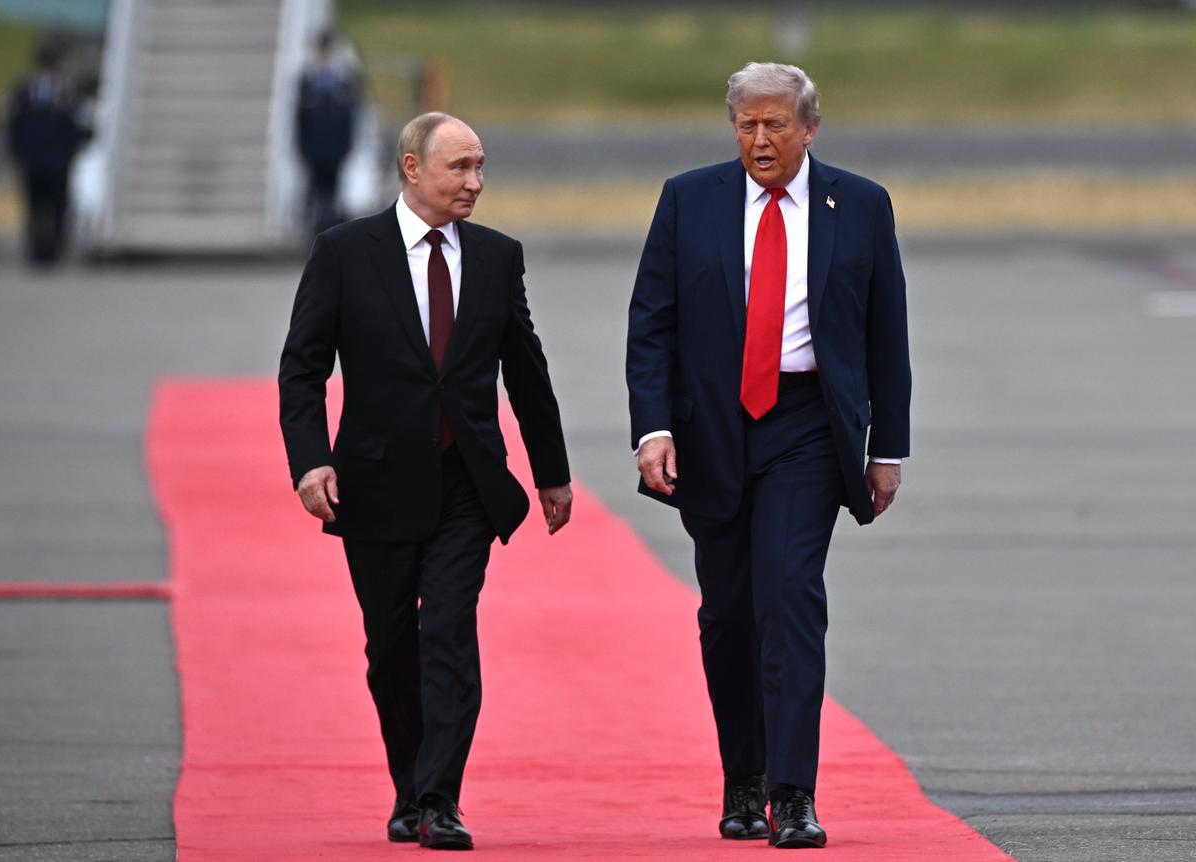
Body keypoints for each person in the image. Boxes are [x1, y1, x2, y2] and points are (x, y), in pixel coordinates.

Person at [625, 62, 910, 850]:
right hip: (712, 429)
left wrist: (887, 447)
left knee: (790, 601)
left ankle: (794, 792)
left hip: (808, 427)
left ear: (809, 128)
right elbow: (651, 324)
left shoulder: (858, 205)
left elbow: (888, 335)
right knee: (728, 616)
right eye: (747, 124)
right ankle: (742, 781)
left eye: (775, 124)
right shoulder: (689, 200)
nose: (759, 139)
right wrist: (653, 430)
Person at [279, 112, 572, 850]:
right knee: (390, 649)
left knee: (448, 630)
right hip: (373, 484)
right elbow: (303, 367)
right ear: (412, 169)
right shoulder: (345, 253)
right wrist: (311, 460)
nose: (475, 182)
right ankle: (407, 788)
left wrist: (552, 474)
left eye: (480, 167)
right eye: (459, 168)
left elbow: (527, 373)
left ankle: (441, 799)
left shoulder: (499, 258)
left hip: (466, 481)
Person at [6, 38, 83, 265]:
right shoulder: (23, 91)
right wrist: (17, 152)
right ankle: (36, 249)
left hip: (58, 159)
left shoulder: (66, 91)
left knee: (58, 204)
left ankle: (55, 248)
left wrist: (69, 154)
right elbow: (14, 125)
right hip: (32, 158)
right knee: (34, 203)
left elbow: (73, 127)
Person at [295, 30, 360, 235]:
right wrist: (302, 147)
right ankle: (315, 231)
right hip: (314, 148)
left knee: (333, 192)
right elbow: (299, 119)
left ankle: (330, 229)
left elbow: (350, 118)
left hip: (336, 147)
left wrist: (347, 145)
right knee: (316, 191)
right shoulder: (308, 80)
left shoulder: (342, 82)